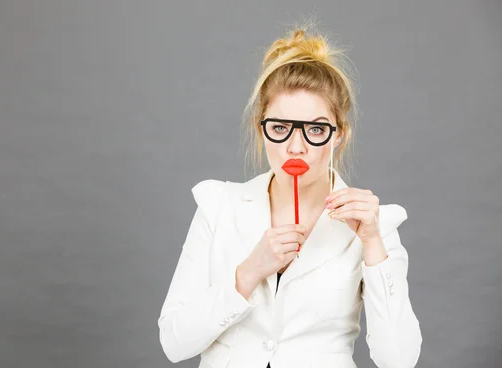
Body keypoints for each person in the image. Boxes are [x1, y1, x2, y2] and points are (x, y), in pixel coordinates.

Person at [158, 25, 422, 368]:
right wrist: (249, 273)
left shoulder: (372, 225)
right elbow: (174, 343)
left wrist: (372, 244)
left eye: (315, 129)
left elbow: (398, 361)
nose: (295, 147)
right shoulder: (219, 207)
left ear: (339, 135)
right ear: (261, 128)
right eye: (281, 128)